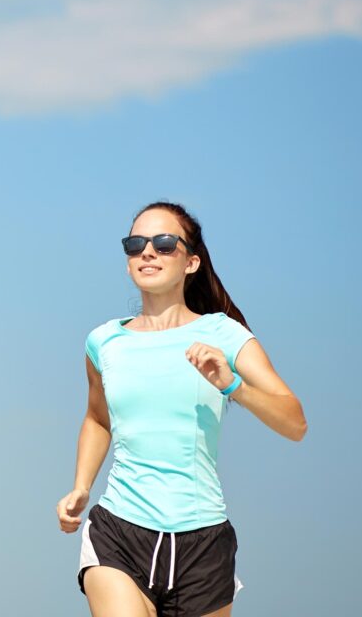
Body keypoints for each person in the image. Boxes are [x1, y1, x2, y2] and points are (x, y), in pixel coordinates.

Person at [56, 201, 307, 617]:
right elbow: (98, 419)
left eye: (164, 242)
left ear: (191, 262)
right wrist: (82, 485)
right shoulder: (103, 341)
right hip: (119, 529)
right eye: (136, 244)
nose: (147, 252)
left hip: (203, 543)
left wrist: (232, 385)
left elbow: (295, 422)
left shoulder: (224, 334)